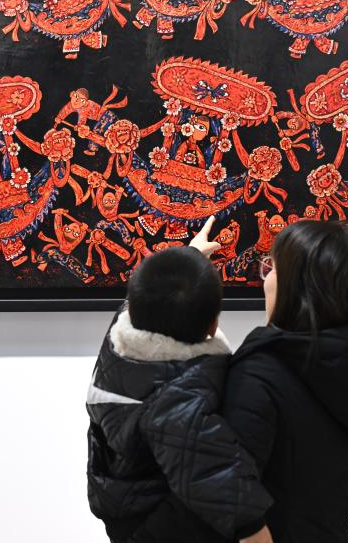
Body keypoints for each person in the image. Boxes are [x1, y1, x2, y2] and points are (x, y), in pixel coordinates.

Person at [149, 218, 348, 542]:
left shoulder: (266, 372)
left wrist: (180, 275)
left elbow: (221, 499)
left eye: (272, 268)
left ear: (300, 287)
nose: (266, 278)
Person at [85, 219, 274, 543]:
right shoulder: (178, 403)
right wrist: (256, 532)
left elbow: (144, 300)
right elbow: (218, 480)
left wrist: (192, 256)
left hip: (123, 497)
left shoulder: (118, 343)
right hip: (151, 526)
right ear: (213, 326)